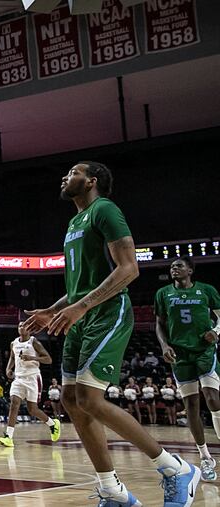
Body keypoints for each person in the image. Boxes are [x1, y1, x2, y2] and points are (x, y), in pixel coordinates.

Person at [24, 162, 197, 506]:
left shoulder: (105, 210)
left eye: (73, 172)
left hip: (108, 313)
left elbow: (129, 268)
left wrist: (80, 308)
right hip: (82, 315)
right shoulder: (74, 222)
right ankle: (113, 490)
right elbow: (79, 288)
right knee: (71, 401)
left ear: (91, 181)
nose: (65, 176)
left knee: (89, 399)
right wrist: (55, 310)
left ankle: (174, 468)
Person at [155, 256, 220, 482]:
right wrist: (164, 345)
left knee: (212, 399)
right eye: (172, 266)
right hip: (179, 355)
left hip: (204, 350)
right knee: (191, 405)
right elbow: (160, 323)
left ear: (190, 270)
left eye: (179, 266)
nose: (174, 268)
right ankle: (205, 457)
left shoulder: (207, 291)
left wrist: (217, 332)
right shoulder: (163, 294)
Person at [0, 323, 60, 447]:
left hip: (33, 378)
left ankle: (53, 424)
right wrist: (8, 369)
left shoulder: (33, 342)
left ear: (29, 329)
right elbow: (12, 357)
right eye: (19, 325)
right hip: (19, 378)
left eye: (24, 325)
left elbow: (48, 359)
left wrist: (32, 357)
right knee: (14, 404)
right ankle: (8, 437)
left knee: (32, 410)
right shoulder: (13, 343)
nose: (21, 327)